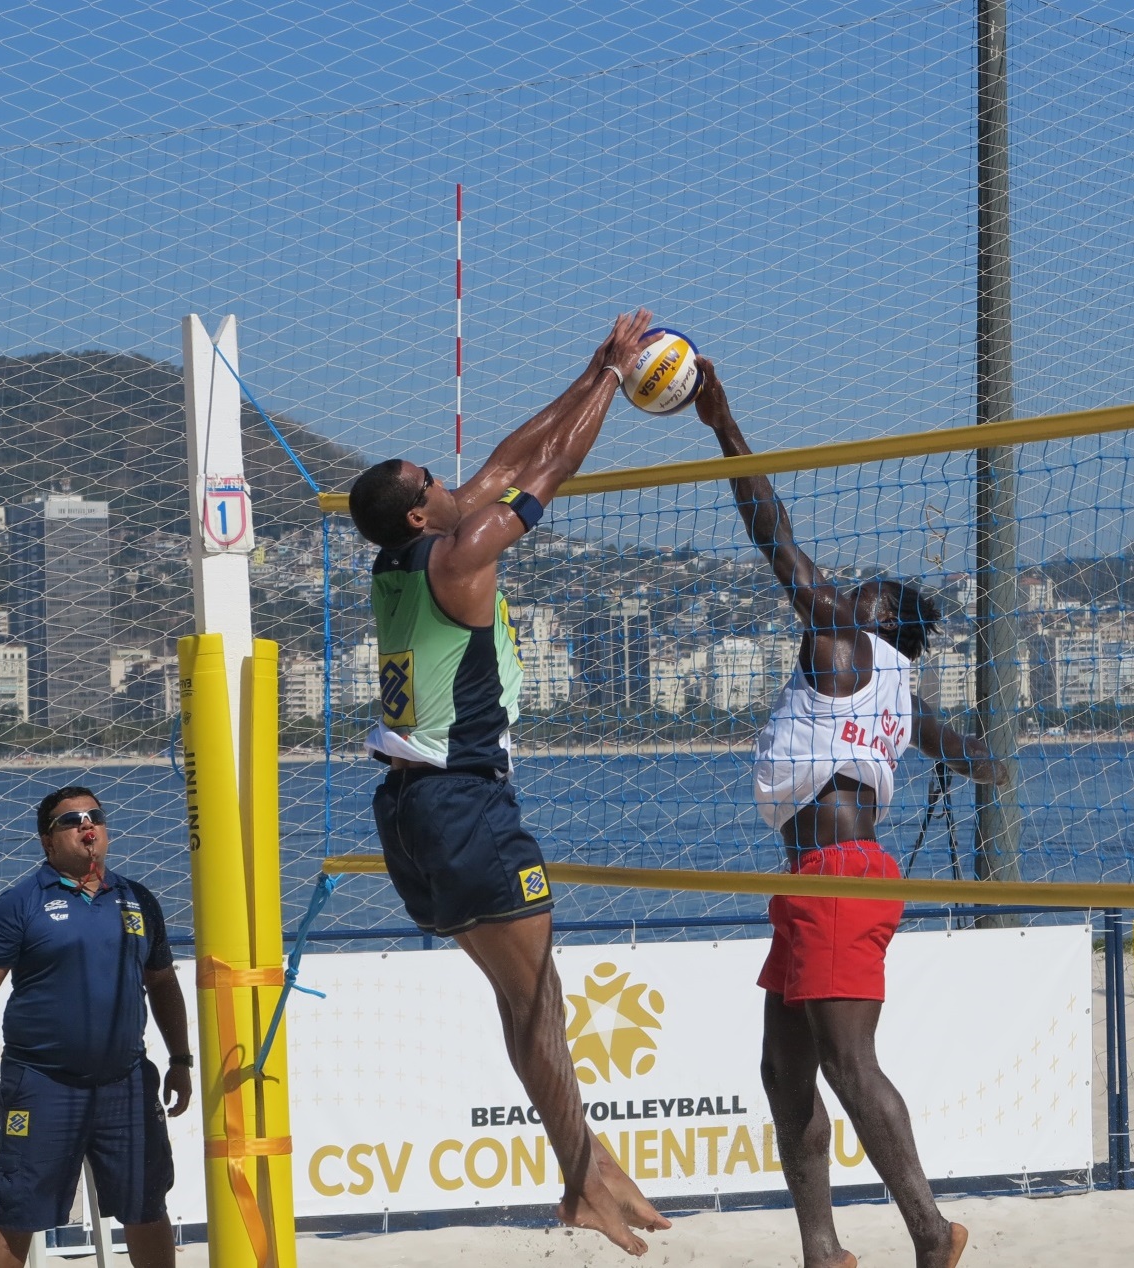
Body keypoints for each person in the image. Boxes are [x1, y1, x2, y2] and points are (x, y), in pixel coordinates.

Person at [346, 309, 668, 1257]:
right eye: (433, 485)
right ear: (421, 513)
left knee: (529, 1001)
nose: (454, 484)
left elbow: (502, 460)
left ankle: (590, 1169)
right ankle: (581, 1180)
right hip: (462, 803)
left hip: (410, 810)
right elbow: (546, 472)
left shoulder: (401, 560)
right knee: (537, 1005)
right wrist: (613, 383)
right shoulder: (460, 555)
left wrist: (587, 370)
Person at [695, 358, 1001, 1268]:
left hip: (838, 878)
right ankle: (823, 1252)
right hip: (818, 879)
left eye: (863, 591)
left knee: (847, 1064)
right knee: (785, 1072)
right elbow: (975, 758)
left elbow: (774, 536)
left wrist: (721, 423)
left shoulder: (845, 642)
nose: (845, 588)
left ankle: (930, 1232)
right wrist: (965, 758)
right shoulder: (902, 692)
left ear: (879, 621)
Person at [0, 787, 192, 1268]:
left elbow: (163, 984)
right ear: (47, 841)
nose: (87, 826)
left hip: (126, 1082)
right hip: (43, 1083)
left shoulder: (137, 899)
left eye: (95, 816)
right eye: (71, 820)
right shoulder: (21, 902)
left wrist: (181, 1060)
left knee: (146, 1205)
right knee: (17, 1211)